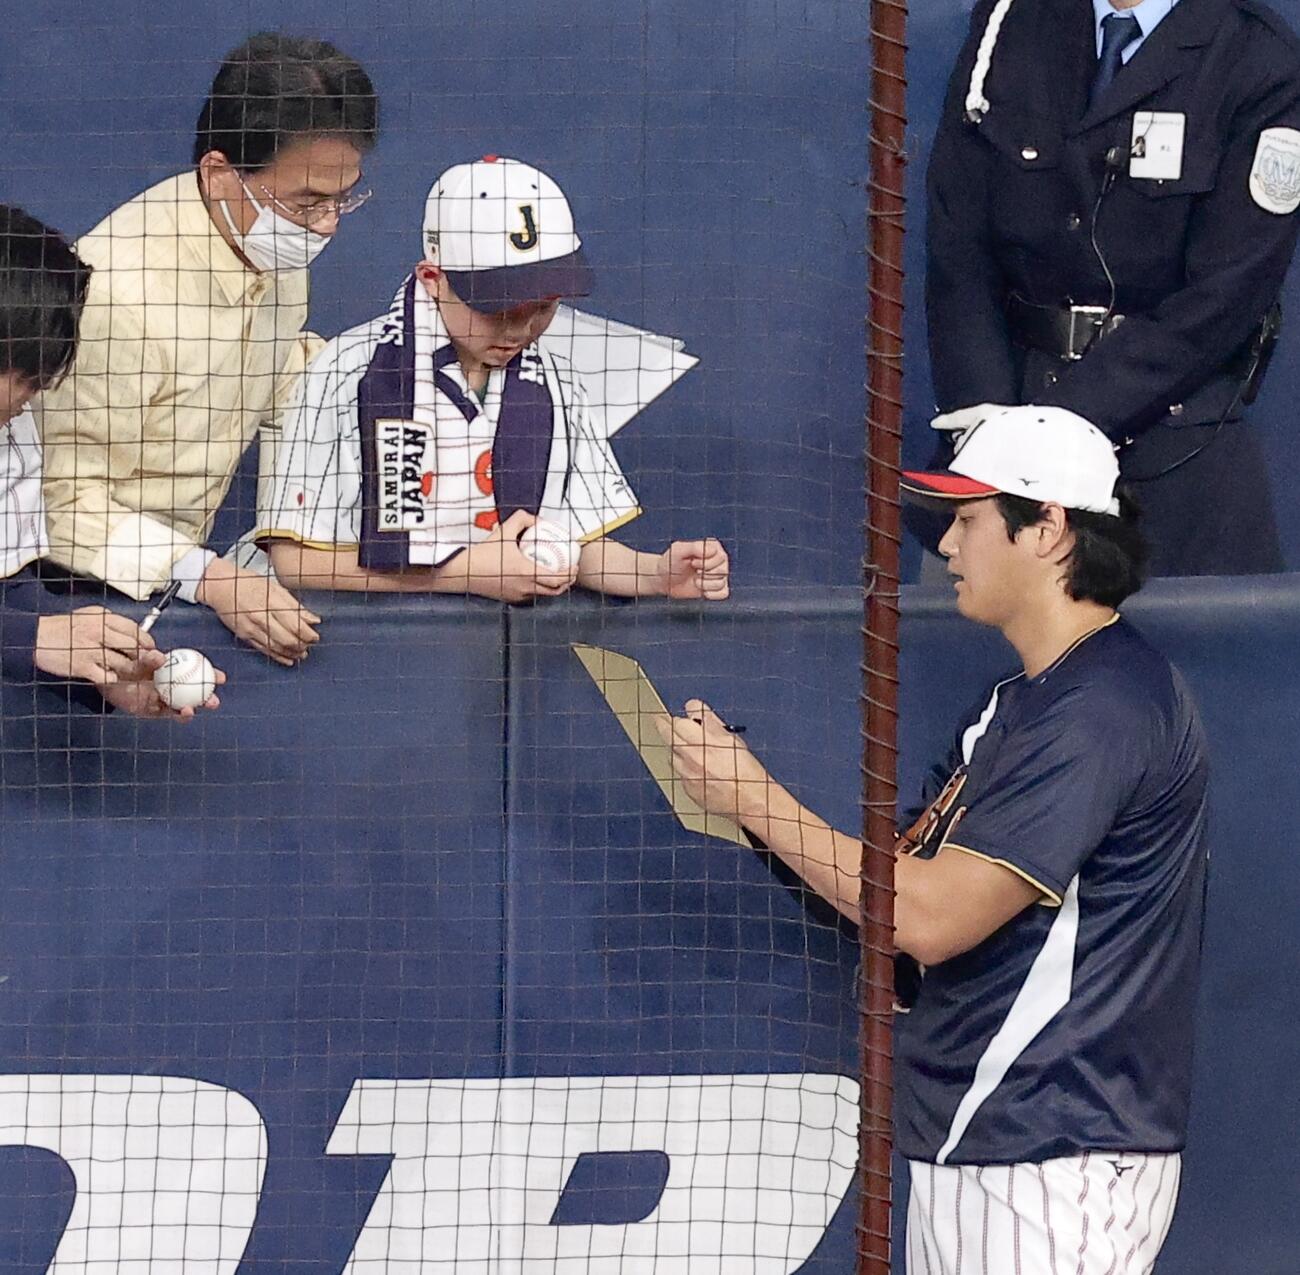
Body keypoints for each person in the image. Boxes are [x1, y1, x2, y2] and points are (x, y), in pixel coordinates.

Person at [659, 407, 1209, 1271]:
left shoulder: (1104, 705)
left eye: (968, 519)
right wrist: (744, 810)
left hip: (1055, 1150)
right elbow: (892, 898)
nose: (946, 544)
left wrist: (756, 798)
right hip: (984, 1141)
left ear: (1048, 529)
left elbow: (932, 917)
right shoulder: (1017, 703)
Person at [921, 0, 1300, 575]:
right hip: (998, 448)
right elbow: (958, 248)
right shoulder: (1011, 24)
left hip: (1168, 460)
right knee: (970, 627)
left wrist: (1047, 432)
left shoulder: (1256, 54)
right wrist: (988, 428)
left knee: (1195, 635)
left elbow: (1226, 296)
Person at [34, 32, 379, 664]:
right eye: (308, 203)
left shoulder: (269, 242)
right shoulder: (116, 297)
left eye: (343, 198)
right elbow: (57, 502)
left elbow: (270, 369)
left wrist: (390, 384)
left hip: (189, 577)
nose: (328, 224)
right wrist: (211, 578)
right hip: (72, 598)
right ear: (220, 174)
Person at [258, 156, 730, 603]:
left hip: (494, 648)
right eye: (497, 309)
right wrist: (466, 574)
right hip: (366, 644)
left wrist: (653, 574)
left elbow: (568, 543)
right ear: (432, 278)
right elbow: (296, 563)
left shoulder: (556, 380)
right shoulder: (349, 370)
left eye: (541, 308)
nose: (519, 330)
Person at [0, 204, 221, 719]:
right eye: (24, 378)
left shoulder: (13, 431)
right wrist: (27, 637)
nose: (29, 400)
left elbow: (8, 587)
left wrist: (97, 670)